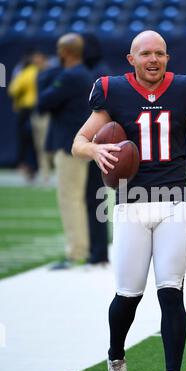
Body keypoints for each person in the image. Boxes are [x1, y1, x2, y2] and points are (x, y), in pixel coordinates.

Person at [72, 30, 186, 371]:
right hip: (130, 204)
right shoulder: (112, 90)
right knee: (128, 295)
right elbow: (79, 141)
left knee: (171, 293)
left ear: (167, 57)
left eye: (160, 53)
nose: (153, 59)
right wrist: (96, 153)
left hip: (174, 203)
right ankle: (116, 355)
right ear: (131, 58)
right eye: (145, 53)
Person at [38, 33, 93, 268]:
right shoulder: (83, 74)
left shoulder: (71, 75)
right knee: (78, 199)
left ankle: (77, 252)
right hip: (79, 142)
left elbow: (44, 101)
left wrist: (47, 73)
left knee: (70, 199)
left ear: (63, 53)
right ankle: (83, 249)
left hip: (71, 145)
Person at [82, 33, 111, 266]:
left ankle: (98, 251)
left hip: (96, 144)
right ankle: (96, 250)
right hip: (95, 143)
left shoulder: (96, 75)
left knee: (95, 198)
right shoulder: (99, 71)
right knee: (93, 199)